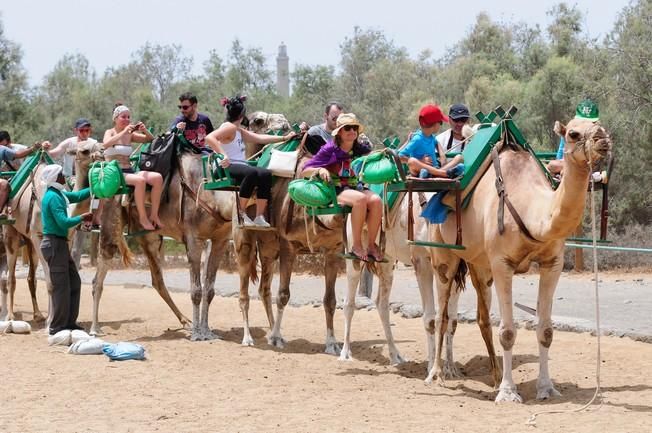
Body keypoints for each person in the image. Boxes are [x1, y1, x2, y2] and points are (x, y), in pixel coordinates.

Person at [301, 113, 383, 262]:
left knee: (377, 200)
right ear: (339, 132)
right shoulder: (329, 149)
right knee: (360, 200)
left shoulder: (360, 149)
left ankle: (371, 245)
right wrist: (320, 170)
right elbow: (305, 170)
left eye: (354, 128)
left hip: (355, 187)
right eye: (347, 128)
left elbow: (374, 157)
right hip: (337, 189)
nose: (352, 131)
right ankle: (356, 246)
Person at [205, 95, 296, 228]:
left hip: (237, 166)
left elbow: (260, 138)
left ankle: (259, 216)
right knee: (252, 173)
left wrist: (284, 138)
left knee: (265, 174)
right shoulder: (229, 127)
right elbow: (209, 138)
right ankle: (241, 213)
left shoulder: (238, 131)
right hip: (224, 167)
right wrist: (223, 155)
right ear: (242, 116)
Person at [39, 164, 93, 335]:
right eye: (61, 174)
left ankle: (69, 322)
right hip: (55, 245)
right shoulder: (53, 197)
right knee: (61, 287)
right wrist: (82, 217)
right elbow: (63, 222)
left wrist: (94, 189)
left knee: (74, 282)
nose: (64, 176)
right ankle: (57, 327)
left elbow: (76, 196)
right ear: (55, 178)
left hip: (59, 245)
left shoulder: (58, 194)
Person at [103, 105, 163, 231]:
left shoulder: (130, 135)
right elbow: (106, 144)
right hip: (115, 172)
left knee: (157, 178)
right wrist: (124, 132)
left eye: (129, 117)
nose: (127, 119)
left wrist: (144, 130)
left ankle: (154, 215)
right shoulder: (110, 132)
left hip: (129, 170)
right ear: (115, 118)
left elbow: (150, 140)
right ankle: (143, 218)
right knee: (140, 181)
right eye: (123, 117)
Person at [398, 104, 464, 179]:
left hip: (434, 169)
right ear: (435, 124)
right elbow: (400, 157)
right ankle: (444, 173)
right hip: (419, 171)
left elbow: (437, 143)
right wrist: (420, 161)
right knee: (412, 161)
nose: (440, 126)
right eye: (441, 123)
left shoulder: (431, 137)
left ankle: (437, 174)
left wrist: (442, 155)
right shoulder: (417, 139)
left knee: (459, 157)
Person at [548, 99, 600, 176]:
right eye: (583, 121)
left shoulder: (596, 136)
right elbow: (560, 154)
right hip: (566, 164)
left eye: (589, 123)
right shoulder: (570, 133)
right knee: (553, 166)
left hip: (583, 167)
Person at [0, 131, 42, 218]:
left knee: (5, 185)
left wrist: (33, 148)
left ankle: (3, 210)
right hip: (9, 175)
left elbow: (18, 154)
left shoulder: (3, 149)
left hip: (20, 176)